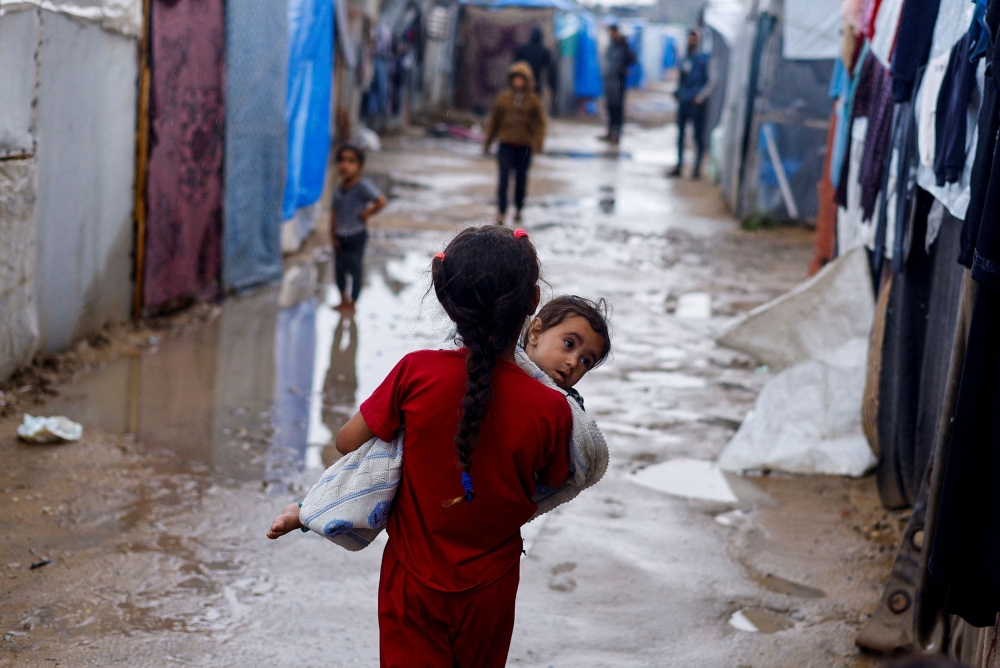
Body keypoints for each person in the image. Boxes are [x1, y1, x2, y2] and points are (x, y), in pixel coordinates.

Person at [268, 225, 572, 666]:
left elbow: (346, 442)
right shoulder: (551, 408)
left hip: (411, 581)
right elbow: (554, 480)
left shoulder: (416, 373)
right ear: (532, 302)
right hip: (492, 585)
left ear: (447, 302)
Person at [523, 295, 612, 409]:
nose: (573, 362)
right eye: (569, 344)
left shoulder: (570, 410)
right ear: (536, 332)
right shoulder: (498, 367)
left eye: (586, 361)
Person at [484, 62, 547, 223]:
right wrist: (488, 142)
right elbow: (494, 122)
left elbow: (540, 123)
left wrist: (538, 143)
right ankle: (501, 211)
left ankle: (518, 208)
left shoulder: (533, 100)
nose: (518, 82)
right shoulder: (503, 98)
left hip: (524, 146)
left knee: (521, 180)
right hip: (505, 145)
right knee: (503, 179)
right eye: (515, 79)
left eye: (521, 79)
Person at [331, 144, 387, 312]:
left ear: (359, 166)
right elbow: (334, 213)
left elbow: (380, 201)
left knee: (355, 269)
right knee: (339, 270)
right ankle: (343, 300)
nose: (345, 165)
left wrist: (366, 214)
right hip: (340, 236)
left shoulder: (362, 186)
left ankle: (353, 304)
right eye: (342, 161)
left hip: (356, 235)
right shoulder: (338, 189)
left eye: (351, 161)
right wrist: (332, 234)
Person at [668, 28, 716, 179]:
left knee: (697, 136)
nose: (692, 41)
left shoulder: (705, 59)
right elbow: (682, 79)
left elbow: (713, 81)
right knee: (681, 134)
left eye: (694, 38)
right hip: (684, 102)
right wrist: (678, 92)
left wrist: (700, 97)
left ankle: (696, 169)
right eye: (690, 38)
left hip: (697, 104)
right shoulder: (685, 58)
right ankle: (679, 165)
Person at [601, 24, 636, 145]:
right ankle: (610, 132)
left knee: (617, 108)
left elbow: (632, 58)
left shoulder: (623, 45)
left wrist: (623, 68)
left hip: (618, 81)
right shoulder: (611, 45)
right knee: (610, 107)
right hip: (609, 80)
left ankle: (617, 133)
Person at [514, 26, 557, 97]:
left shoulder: (523, 49)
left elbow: (514, 66)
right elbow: (551, 71)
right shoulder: (544, 51)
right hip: (535, 83)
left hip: (522, 82)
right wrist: (553, 87)